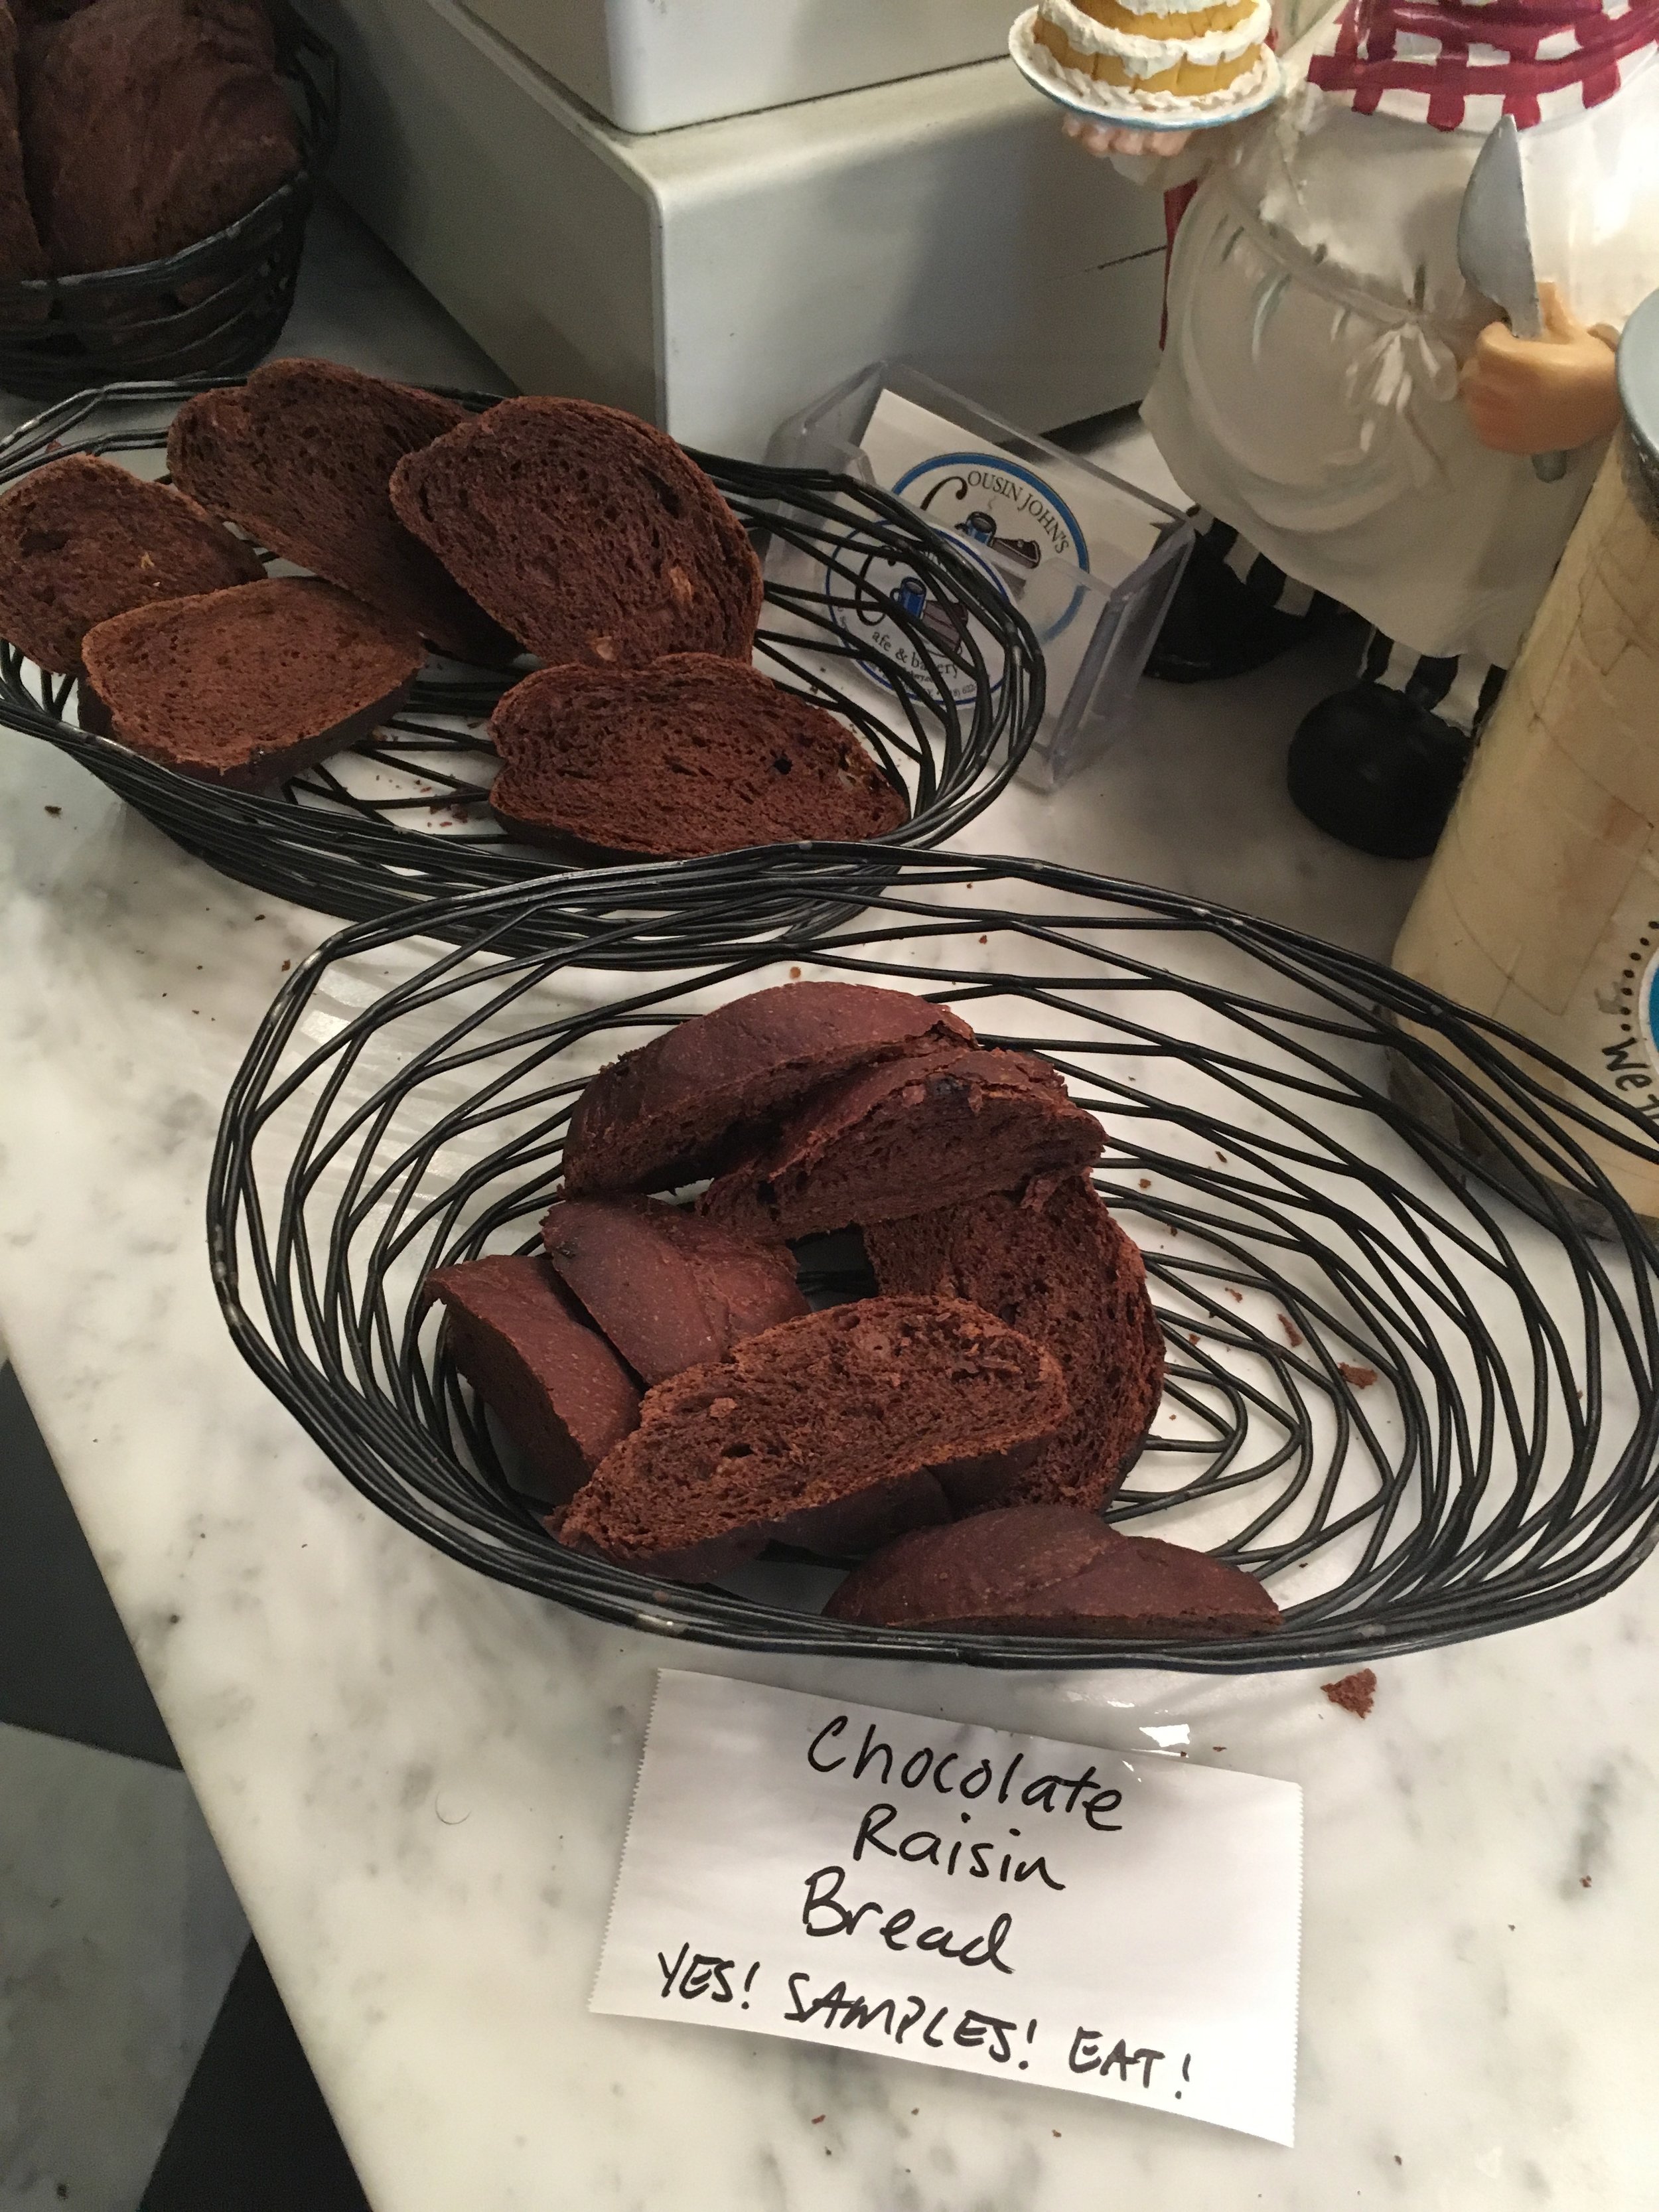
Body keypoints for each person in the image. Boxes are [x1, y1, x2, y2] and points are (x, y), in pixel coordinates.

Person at [1066, 0, 1659, 857]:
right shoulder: (1363, 25)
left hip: (1460, 488)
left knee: (1470, 562)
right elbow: (1241, 110)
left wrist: (1609, 381)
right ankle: (1264, 567)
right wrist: (1165, 108)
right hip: (1280, 438)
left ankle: (1434, 681)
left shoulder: (1625, 112)